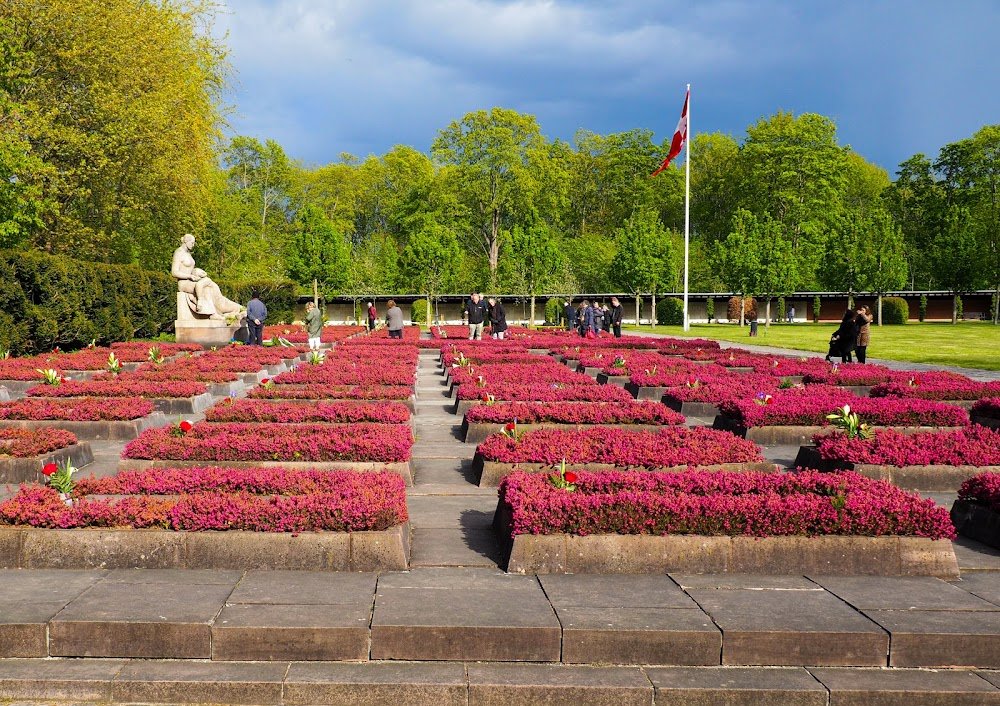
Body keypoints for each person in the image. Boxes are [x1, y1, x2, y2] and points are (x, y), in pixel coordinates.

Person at [171, 233, 243, 321]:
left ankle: (226, 308)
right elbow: (174, 272)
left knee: (212, 286)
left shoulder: (188, 254)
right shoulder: (178, 253)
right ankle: (212, 313)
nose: (193, 245)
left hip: (192, 280)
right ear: (186, 242)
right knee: (206, 289)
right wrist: (189, 276)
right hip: (184, 283)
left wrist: (197, 273)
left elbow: (191, 269)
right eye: (192, 243)